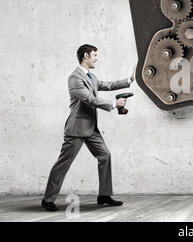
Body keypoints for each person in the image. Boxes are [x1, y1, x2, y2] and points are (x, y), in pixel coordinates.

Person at [41, 44, 136, 212]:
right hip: (77, 128)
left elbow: (106, 85)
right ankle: (48, 199)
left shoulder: (91, 77)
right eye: (94, 55)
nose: (96, 58)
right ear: (85, 56)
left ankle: (104, 195)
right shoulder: (75, 78)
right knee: (63, 164)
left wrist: (129, 80)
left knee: (105, 155)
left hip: (91, 128)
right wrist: (115, 104)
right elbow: (89, 99)